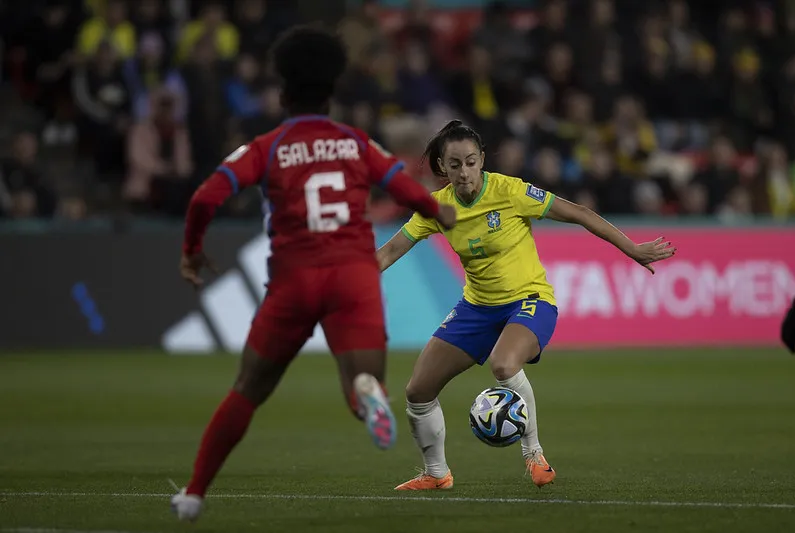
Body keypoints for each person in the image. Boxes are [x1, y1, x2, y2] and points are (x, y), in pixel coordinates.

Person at [170, 26, 457, 522]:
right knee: (360, 384)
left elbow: (204, 198)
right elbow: (406, 189)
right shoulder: (355, 143)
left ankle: (194, 494)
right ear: (331, 93)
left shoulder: (268, 145)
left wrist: (193, 250)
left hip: (294, 280)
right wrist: (440, 212)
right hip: (354, 276)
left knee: (248, 389)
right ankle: (366, 395)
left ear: (282, 93)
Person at [376, 120, 676, 491]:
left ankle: (533, 453)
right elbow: (390, 250)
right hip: (477, 307)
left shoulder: (510, 191)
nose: (465, 172)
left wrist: (632, 248)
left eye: (471, 162)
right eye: (455, 165)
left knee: (504, 364)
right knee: (417, 392)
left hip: (529, 300)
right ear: (442, 168)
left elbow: (579, 212)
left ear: (482, 159)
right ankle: (436, 474)